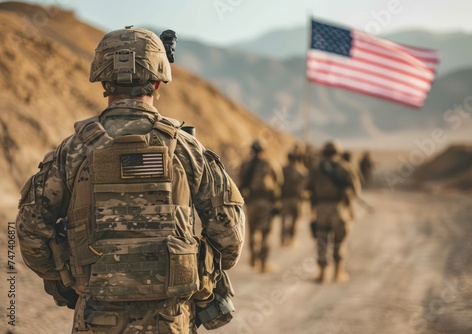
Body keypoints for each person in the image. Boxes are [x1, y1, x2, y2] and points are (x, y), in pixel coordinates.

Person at [16, 26, 245, 333]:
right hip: (171, 319)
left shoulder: (72, 151)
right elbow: (229, 239)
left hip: (96, 317)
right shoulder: (188, 149)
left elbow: (31, 233)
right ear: (159, 79)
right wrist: (197, 273)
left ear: (103, 77)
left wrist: (69, 279)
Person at [308, 141, 360, 284]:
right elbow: (355, 189)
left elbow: (307, 186)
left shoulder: (317, 168)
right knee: (339, 241)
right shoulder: (346, 168)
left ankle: (322, 274)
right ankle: (338, 273)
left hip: (321, 209)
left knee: (322, 241)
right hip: (339, 209)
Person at [239, 139, 283, 273]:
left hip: (251, 203)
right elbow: (279, 180)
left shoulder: (246, 164)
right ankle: (263, 264)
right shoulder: (269, 163)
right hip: (266, 202)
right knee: (265, 233)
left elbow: (240, 182)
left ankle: (253, 260)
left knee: (252, 231)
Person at [280, 151, 309, 247]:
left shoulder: (283, 170)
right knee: (295, 220)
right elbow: (306, 185)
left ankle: (283, 239)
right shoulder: (302, 170)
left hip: (285, 199)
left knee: (284, 219)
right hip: (297, 200)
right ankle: (292, 239)